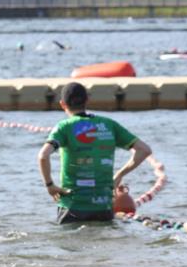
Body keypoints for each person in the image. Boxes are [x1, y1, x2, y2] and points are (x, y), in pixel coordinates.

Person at [38, 82, 152, 224]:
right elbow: (144, 150)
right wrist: (119, 175)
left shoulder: (64, 127)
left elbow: (43, 156)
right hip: (103, 207)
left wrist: (50, 185)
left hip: (73, 206)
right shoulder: (109, 124)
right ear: (87, 100)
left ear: (62, 104)